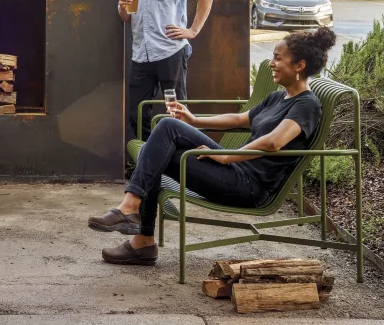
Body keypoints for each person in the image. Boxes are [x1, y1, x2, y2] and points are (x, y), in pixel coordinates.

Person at [88, 26, 335, 265]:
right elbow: (240, 119)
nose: (272, 63)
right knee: (162, 139)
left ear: (299, 66)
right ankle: (139, 233)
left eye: (278, 58)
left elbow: (274, 142)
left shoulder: (307, 105)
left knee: (162, 139)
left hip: (250, 186)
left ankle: (138, 228)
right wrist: (195, 120)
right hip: (235, 170)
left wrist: (227, 156)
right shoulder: (277, 97)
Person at [117, 0, 217, 140]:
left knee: (177, 114)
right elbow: (126, 17)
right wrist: (123, 7)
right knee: (137, 116)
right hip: (141, 55)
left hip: (170, 52)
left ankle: (182, 167)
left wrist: (193, 31)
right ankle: (150, 167)